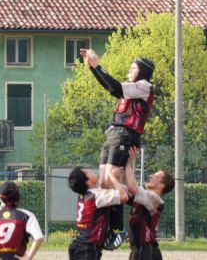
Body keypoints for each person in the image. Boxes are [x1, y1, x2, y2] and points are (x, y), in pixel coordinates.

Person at [80, 48, 156, 250]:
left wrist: (97, 66)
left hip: (126, 135)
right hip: (113, 134)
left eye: (133, 68)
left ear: (143, 72)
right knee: (104, 183)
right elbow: (112, 87)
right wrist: (93, 69)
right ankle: (102, 228)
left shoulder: (144, 86)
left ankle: (117, 229)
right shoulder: (132, 87)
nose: (130, 70)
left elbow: (114, 88)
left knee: (112, 180)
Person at [68, 166, 128, 260]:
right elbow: (124, 197)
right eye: (88, 172)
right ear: (87, 182)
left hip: (79, 246)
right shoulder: (97, 196)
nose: (90, 171)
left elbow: (102, 186)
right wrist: (112, 177)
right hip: (87, 249)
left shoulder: (86, 195)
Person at [124, 147, 174, 260]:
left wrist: (128, 162)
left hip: (146, 251)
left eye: (155, 177)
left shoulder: (154, 199)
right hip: (140, 250)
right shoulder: (144, 197)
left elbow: (132, 187)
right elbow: (123, 192)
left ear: (161, 186)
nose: (150, 176)